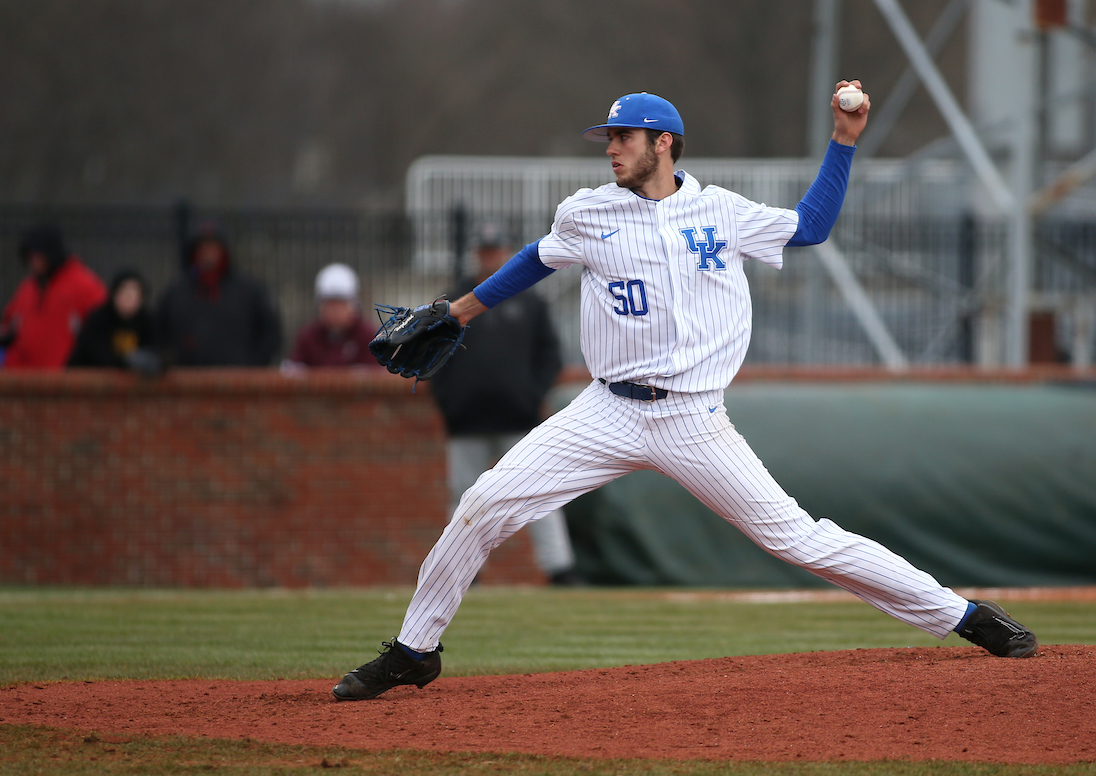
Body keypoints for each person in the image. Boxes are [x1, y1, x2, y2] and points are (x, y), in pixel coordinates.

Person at [331, 85, 1038, 702]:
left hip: (694, 418)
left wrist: (843, 141)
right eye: (606, 137)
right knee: (484, 503)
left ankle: (963, 616)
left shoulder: (722, 213)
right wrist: (454, 314)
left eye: (623, 137)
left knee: (798, 539)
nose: (610, 148)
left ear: (662, 143)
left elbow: (812, 227)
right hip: (606, 411)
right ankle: (415, 652)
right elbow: (533, 262)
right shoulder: (586, 213)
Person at [430, 222, 581, 586]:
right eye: (485, 251)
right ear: (475, 255)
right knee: (464, 496)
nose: (491, 257)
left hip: (519, 417)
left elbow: (550, 356)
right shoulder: (456, 298)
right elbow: (434, 358)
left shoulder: (529, 300)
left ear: (507, 252)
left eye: (496, 250)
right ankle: (463, 572)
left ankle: (558, 568)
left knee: (539, 492)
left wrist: (531, 395)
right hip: (467, 419)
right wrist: (450, 401)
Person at [156, 225, 282, 367]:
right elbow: (159, 333)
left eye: (213, 248)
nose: (208, 254)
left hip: (237, 379)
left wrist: (253, 365)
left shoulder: (249, 289)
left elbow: (271, 332)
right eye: (203, 249)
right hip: (187, 379)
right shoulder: (176, 292)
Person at [0, 224, 106, 370]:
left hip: (64, 382)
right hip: (23, 381)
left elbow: (102, 330)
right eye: (30, 256)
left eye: (39, 256)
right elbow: (9, 324)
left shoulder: (84, 286)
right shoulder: (27, 288)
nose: (34, 262)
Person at [282, 263, 378, 370]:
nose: (335, 311)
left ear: (353, 306)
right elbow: (292, 370)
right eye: (330, 304)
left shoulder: (368, 337)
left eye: (340, 304)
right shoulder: (309, 337)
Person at [67, 268, 160, 373]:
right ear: (114, 295)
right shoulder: (99, 319)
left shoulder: (147, 320)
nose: (129, 299)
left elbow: (156, 351)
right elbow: (96, 353)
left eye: (134, 294)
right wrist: (127, 362)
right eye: (124, 293)